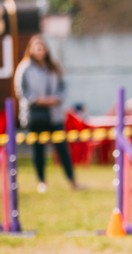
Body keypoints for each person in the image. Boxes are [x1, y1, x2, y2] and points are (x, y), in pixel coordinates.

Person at [14, 35, 79, 193]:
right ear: (31, 49)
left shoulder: (53, 67)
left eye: (42, 47)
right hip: (35, 116)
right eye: (36, 48)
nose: (40, 51)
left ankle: (72, 180)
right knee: (38, 149)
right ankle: (41, 182)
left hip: (54, 114)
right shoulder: (25, 68)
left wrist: (56, 99)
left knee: (62, 148)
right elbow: (21, 91)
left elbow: (63, 87)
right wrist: (38, 100)